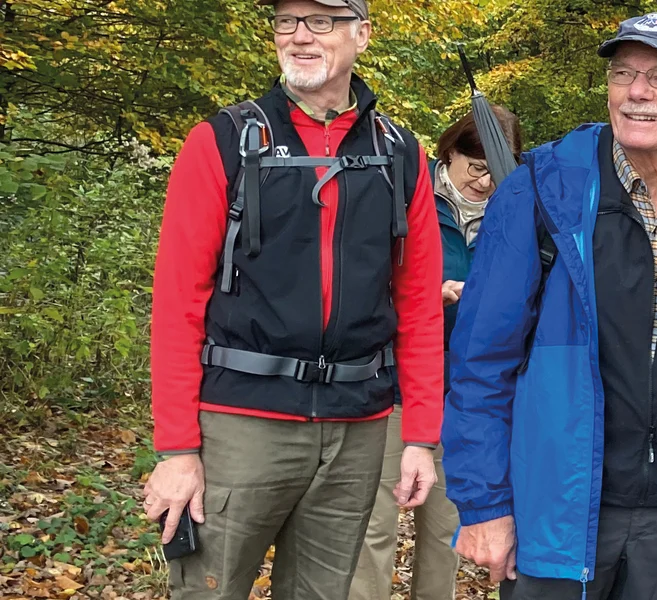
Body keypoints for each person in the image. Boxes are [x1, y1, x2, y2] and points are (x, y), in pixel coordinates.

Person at [444, 13, 657, 597]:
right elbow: (480, 363)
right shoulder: (540, 194)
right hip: (558, 504)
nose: (636, 91)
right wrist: (484, 504)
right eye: (623, 73)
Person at [141, 0, 444, 597]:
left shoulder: (400, 154)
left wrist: (420, 438)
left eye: (321, 21)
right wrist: (177, 447)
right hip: (241, 425)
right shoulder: (223, 140)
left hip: (358, 426)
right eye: (287, 21)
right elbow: (177, 301)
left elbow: (418, 305)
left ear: (363, 34)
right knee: (207, 589)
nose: (300, 37)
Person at [349, 104, 522, 600]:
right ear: (450, 153)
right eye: (476, 168)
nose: (486, 183)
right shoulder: (405, 194)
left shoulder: (514, 215)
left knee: (446, 535)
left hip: (466, 401)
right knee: (374, 531)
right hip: (393, 389)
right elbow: (359, 284)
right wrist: (427, 296)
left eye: (497, 171)